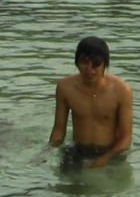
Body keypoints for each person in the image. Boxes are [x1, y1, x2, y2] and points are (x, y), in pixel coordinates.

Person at [50, 36, 134, 168]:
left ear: (105, 64)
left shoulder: (122, 90)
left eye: (96, 63)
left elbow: (126, 137)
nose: (89, 68)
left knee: (110, 187)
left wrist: (104, 159)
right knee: (65, 186)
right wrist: (47, 151)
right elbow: (59, 130)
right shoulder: (65, 88)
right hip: (78, 149)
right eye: (84, 61)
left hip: (111, 151)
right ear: (77, 62)